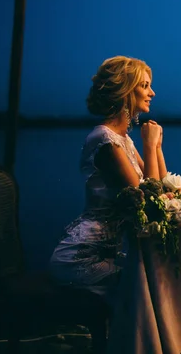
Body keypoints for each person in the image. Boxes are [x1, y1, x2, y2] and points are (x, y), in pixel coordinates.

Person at [49, 55, 167, 304]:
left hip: (108, 252)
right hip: (81, 258)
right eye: (144, 86)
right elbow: (149, 203)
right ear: (125, 90)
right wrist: (149, 143)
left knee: (158, 278)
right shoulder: (105, 141)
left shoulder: (123, 139)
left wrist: (156, 147)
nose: (152, 93)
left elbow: (162, 188)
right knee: (149, 284)